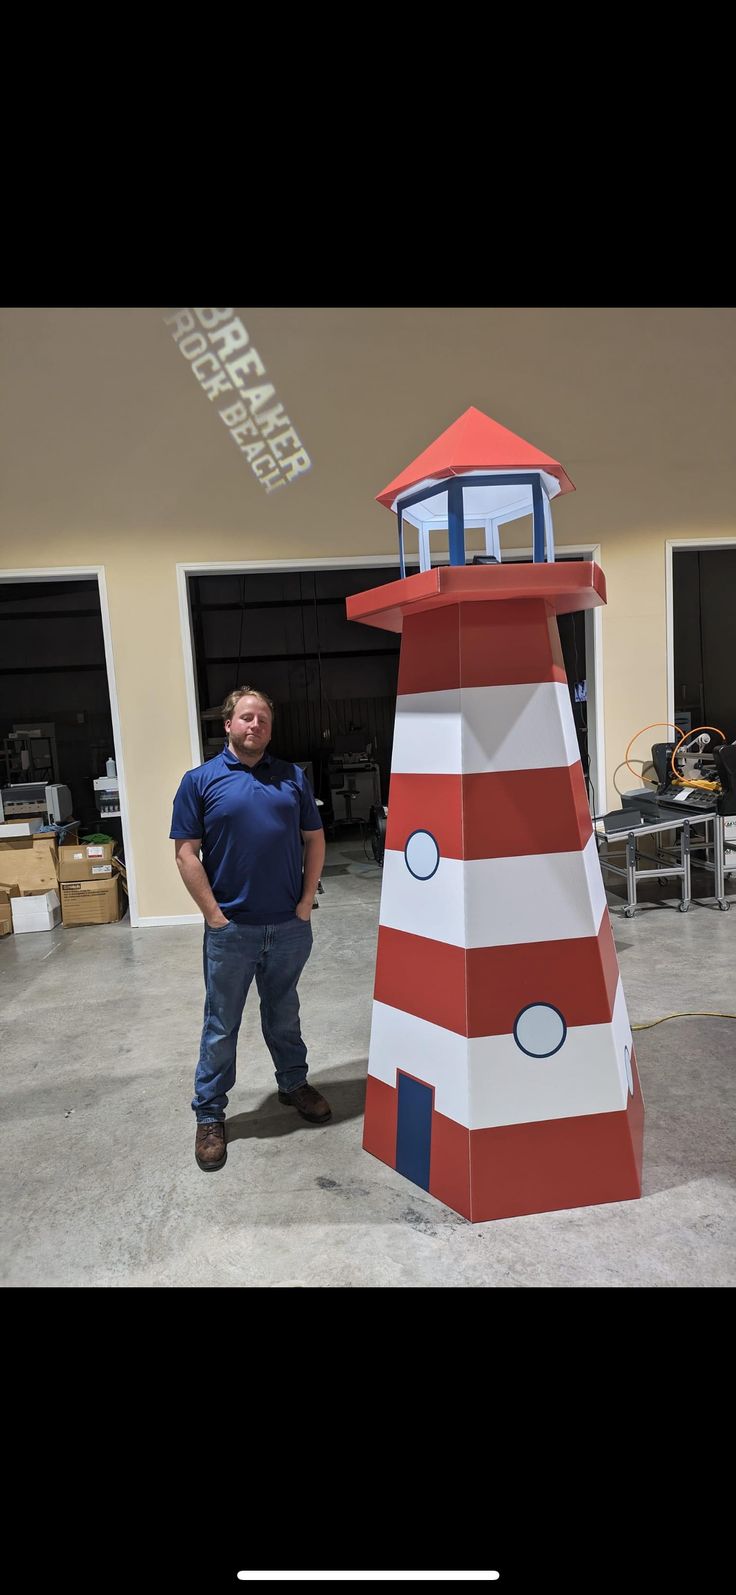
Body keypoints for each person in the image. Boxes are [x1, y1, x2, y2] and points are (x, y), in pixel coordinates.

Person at [170, 686, 330, 1171]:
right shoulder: (200, 781)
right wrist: (214, 916)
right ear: (228, 725)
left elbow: (315, 839)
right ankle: (211, 1114)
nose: (254, 725)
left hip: (287, 926)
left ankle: (293, 1085)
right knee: (222, 1025)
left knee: (284, 1012)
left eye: (262, 718)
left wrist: (305, 902)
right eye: (246, 717)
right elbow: (185, 853)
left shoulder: (292, 778)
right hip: (231, 930)